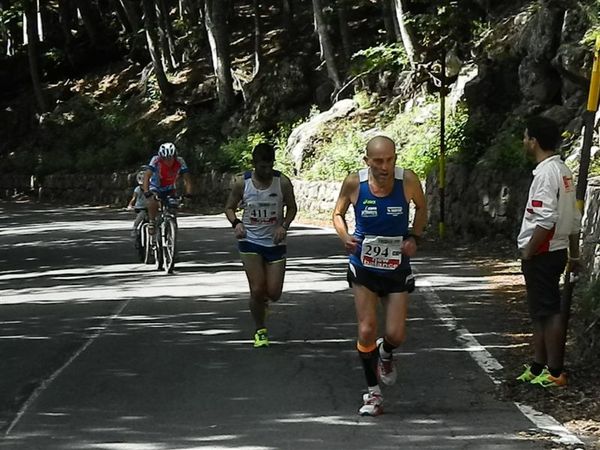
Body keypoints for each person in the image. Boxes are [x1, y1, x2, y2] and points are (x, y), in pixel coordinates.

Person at [332, 135, 427, 416]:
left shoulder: (408, 181)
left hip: (396, 266)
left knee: (395, 334)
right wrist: (344, 236)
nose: (385, 166)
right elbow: (338, 213)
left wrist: (414, 237)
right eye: (378, 161)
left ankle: (385, 353)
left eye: (390, 159)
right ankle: (373, 394)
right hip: (363, 265)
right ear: (367, 161)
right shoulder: (354, 183)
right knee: (366, 329)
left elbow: (421, 208)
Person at [516, 116, 581, 388]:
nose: (523, 141)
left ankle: (554, 371)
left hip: (543, 251)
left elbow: (545, 219)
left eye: (525, 136)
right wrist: (574, 254)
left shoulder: (545, 174)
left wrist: (529, 251)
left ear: (534, 141)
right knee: (540, 310)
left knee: (549, 310)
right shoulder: (563, 170)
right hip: (557, 249)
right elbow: (574, 217)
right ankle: (538, 365)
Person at [224, 143, 297, 348]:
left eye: (270, 166)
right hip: (250, 241)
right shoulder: (242, 183)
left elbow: (292, 208)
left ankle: (261, 303)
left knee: (273, 293)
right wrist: (236, 223)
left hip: (275, 242)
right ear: (254, 164)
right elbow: (229, 208)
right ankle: (260, 330)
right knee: (257, 289)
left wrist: (284, 226)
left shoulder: (282, 182)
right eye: (262, 166)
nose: (267, 170)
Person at [142, 142, 193, 233]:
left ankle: (171, 229)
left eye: (170, 158)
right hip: (155, 186)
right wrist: (146, 191)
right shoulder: (155, 160)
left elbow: (187, 179)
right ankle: (152, 222)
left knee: (173, 206)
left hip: (170, 188)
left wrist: (188, 193)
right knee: (153, 201)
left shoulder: (180, 161)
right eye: (165, 159)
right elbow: (147, 176)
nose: (168, 161)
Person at [127, 169, 149, 241]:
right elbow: (134, 198)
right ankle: (135, 227)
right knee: (141, 215)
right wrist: (130, 205)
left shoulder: (151, 188)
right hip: (140, 207)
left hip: (149, 206)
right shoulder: (137, 189)